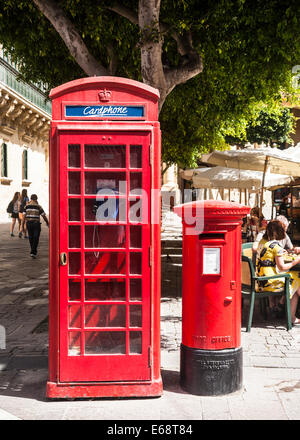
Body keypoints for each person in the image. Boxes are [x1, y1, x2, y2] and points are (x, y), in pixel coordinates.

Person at [256, 220, 300, 326]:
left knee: (295, 281)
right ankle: (291, 317)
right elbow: (283, 267)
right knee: (297, 280)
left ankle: (287, 312)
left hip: (260, 280)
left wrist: (282, 252)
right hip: (270, 282)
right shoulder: (276, 246)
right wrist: (296, 261)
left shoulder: (263, 241)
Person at [24, 194, 49, 258]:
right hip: (36, 224)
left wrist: (22, 225)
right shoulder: (38, 206)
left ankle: (32, 251)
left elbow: (24, 216)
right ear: (36, 199)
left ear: (31, 198)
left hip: (29, 223)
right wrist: (47, 223)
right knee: (36, 237)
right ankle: (33, 252)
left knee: (31, 237)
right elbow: (43, 215)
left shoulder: (26, 206)